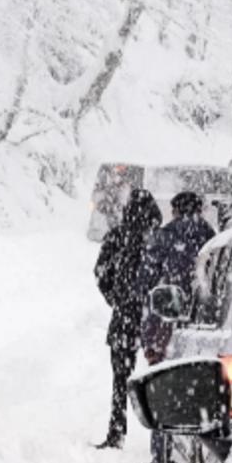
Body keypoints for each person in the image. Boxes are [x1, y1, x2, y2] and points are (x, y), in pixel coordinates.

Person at [136, 191, 216, 463]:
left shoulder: (164, 237)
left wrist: (147, 331)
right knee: (193, 393)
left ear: (175, 210)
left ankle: (162, 454)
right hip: (202, 327)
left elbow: (146, 282)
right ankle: (193, 452)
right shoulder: (210, 238)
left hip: (165, 324)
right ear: (199, 209)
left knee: (161, 387)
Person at [91, 188, 161, 449]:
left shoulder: (118, 236)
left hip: (124, 316)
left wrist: (115, 298)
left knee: (120, 377)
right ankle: (161, 438)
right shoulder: (157, 238)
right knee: (161, 375)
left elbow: (100, 272)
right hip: (154, 316)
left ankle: (117, 430)